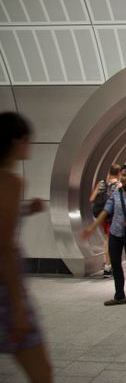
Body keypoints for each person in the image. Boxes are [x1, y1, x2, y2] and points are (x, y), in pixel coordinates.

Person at [0, 112, 53, 383]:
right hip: (5, 288)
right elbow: (5, 246)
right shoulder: (9, 181)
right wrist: (18, 304)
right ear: (17, 141)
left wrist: (22, 210)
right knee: (41, 373)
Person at [82, 165, 126, 306]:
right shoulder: (116, 193)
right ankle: (119, 296)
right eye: (121, 175)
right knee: (116, 265)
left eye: (124, 175)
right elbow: (106, 211)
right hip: (115, 233)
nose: (121, 178)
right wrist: (91, 228)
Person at [89, 163, 121, 277]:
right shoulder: (119, 185)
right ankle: (110, 266)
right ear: (119, 173)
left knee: (107, 239)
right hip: (114, 216)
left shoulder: (101, 183)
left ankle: (108, 266)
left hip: (103, 215)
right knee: (112, 241)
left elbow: (92, 198)